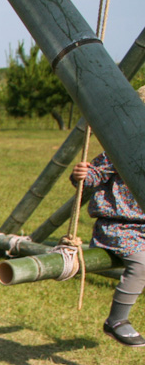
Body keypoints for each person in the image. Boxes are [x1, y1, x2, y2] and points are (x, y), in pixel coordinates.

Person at [71, 132, 145, 347]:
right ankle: (116, 320)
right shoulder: (123, 149)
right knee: (142, 263)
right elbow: (93, 175)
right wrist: (81, 174)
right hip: (117, 226)